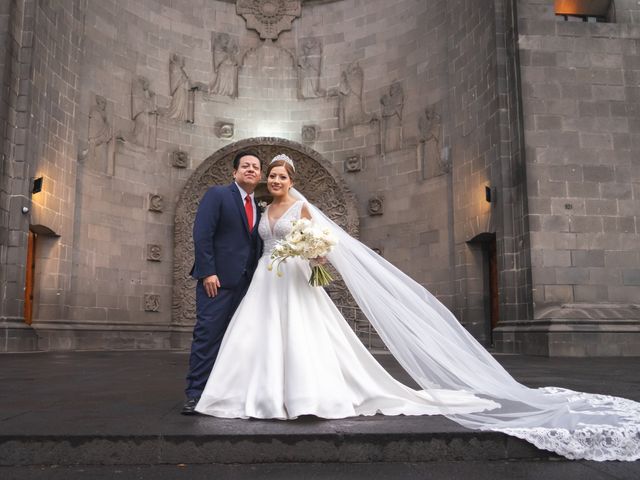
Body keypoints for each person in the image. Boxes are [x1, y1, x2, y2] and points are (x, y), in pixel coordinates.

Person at [195, 154, 640, 462]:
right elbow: (254, 244)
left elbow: (324, 249)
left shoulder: (303, 209)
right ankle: (246, 393)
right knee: (256, 336)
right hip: (264, 282)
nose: (274, 182)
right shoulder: (259, 206)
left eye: (279, 177)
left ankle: (305, 395)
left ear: (291, 180)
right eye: (269, 177)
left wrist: (314, 255)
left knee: (302, 336)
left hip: (294, 279)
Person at [182, 151, 263, 415]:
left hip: (248, 285)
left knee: (238, 340)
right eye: (245, 166)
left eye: (255, 167)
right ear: (234, 172)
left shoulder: (259, 206)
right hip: (216, 281)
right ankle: (195, 394)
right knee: (208, 335)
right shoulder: (218, 195)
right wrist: (208, 272)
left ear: (260, 175)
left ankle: (227, 393)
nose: (250, 169)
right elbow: (202, 233)